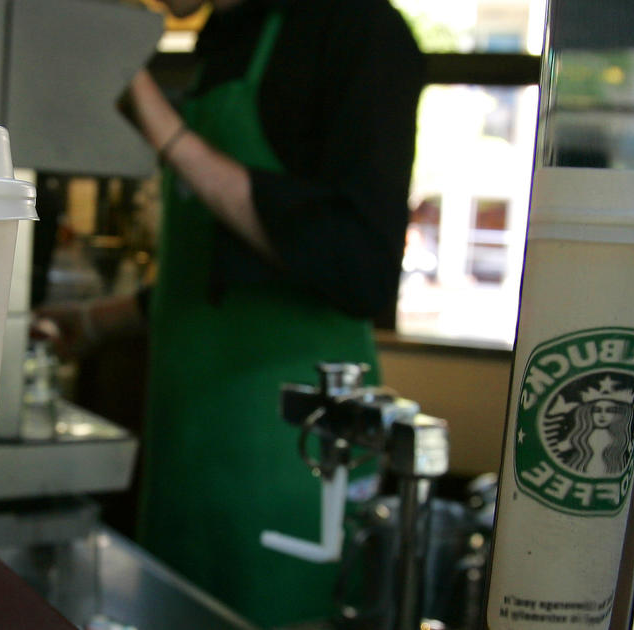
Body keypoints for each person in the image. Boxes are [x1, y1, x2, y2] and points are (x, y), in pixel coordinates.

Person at [38, 0, 423, 625]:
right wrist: (95, 320)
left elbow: (357, 268)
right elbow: (221, 272)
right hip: (186, 442)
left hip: (288, 450)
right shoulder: (224, 37)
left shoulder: (360, 30)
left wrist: (160, 121)